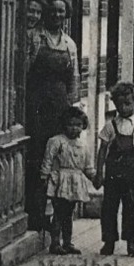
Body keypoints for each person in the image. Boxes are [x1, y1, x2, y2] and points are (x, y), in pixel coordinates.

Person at [24, 0, 82, 230]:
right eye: (53, 11)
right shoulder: (35, 38)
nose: (57, 15)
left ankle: (54, 217)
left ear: (66, 15)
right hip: (37, 106)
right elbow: (24, 72)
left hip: (59, 109)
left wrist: (72, 112)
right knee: (38, 157)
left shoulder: (69, 44)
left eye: (61, 12)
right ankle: (34, 212)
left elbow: (74, 78)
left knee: (58, 160)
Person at [96, 81, 134, 258]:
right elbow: (103, 148)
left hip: (130, 173)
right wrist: (99, 172)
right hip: (113, 172)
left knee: (130, 208)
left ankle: (132, 242)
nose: (123, 107)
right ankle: (109, 241)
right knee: (109, 207)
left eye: (127, 103)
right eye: (119, 104)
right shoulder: (111, 125)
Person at [40, 107, 95, 255]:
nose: (74, 128)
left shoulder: (83, 145)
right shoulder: (57, 142)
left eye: (78, 125)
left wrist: (95, 178)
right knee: (59, 212)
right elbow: (48, 160)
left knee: (69, 213)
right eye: (71, 125)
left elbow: (87, 166)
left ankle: (68, 242)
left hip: (75, 182)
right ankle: (55, 243)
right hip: (60, 181)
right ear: (64, 125)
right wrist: (44, 176)